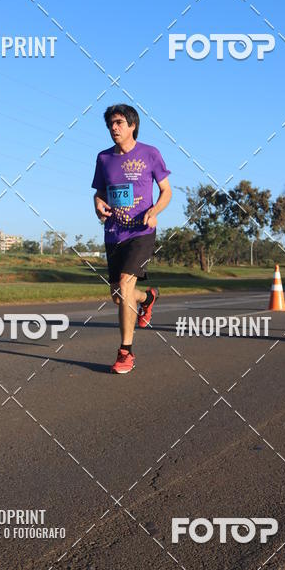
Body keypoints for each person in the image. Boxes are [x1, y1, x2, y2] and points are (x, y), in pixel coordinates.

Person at [92, 104, 172, 373]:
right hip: (114, 233)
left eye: (118, 122)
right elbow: (100, 193)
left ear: (132, 125)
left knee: (125, 284)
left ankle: (126, 352)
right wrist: (98, 204)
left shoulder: (150, 154)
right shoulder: (103, 158)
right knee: (119, 296)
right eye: (110, 124)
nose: (113, 128)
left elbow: (166, 191)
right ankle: (147, 299)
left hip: (141, 231)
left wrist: (154, 211)